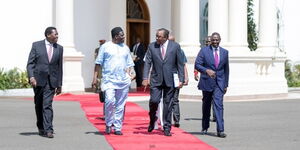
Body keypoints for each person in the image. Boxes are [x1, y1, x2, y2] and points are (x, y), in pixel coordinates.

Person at [93, 27, 135, 136]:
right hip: (109, 80)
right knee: (109, 101)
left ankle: (117, 127)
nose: (124, 37)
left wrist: (131, 73)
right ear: (116, 36)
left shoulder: (125, 48)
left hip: (123, 80)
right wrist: (94, 78)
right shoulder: (105, 47)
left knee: (121, 104)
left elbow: (130, 64)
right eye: (122, 35)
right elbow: (98, 63)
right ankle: (108, 123)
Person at [142, 28, 184, 136]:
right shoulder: (152, 46)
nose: (157, 38)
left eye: (159, 36)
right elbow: (147, 62)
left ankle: (166, 127)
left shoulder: (175, 46)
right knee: (154, 101)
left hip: (170, 80)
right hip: (156, 80)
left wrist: (181, 79)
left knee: (168, 104)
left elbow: (180, 64)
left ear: (165, 37)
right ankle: (152, 120)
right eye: (156, 36)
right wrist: (145, 78)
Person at [26, 27, 63, 138]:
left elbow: (59, 67)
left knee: (47, 105)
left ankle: (49, 129)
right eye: (55, 34)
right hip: (37, 81)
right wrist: (31, 77)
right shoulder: (36, 45)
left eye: (57, 34)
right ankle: (41, 127)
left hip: (51, 81)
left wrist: (59, 84)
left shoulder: (59, 48)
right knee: (39, 104)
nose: (57, 36)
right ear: (48, 35)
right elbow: (30, 63)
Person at [195, 32, 229, 138]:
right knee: (206, 105)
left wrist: (225, 84)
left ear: (220, 40)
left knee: (219, 105)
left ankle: (220, 130)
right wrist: (206, 71)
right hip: (207, 82)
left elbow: (226, 69)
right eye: (213, 40)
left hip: (219, 83)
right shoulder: (204, 51)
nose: (215, 41)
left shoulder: (225, 52)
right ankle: (205, 126)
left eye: (216, 39)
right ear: (211, 40)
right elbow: (197, 64)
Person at [168, 35, 189, 128]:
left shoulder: (180, 51)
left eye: (172, 41)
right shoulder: (164, 51)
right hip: (166, 78)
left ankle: (176, 120)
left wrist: (185, 77)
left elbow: (183, 65)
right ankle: (167, 119)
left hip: (176, 77)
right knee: (168, 99)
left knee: (175, 99)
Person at [92, 39, 106, 120]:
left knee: (107, 96)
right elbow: (96, 64)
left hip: (108, 75)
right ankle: (105, 114)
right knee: (104, 95)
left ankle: (107, 114)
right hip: (101, 73)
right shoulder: (97, 50)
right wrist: (95, 78)